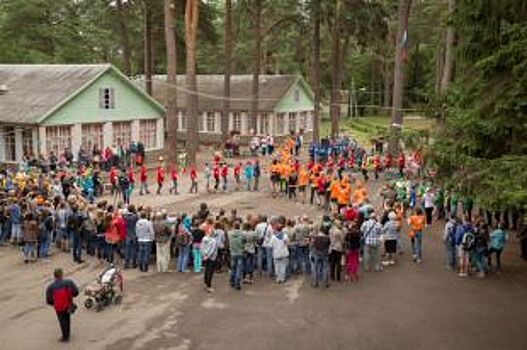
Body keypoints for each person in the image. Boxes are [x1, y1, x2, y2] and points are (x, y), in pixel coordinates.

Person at [46, 268, 79, 342]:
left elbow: (49, 300)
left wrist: (54, 303)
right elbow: (76, 292)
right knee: (67, 319)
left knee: (62, 320)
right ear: (62, 274)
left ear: (54, 276)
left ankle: (65, 336)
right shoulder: (68, 282)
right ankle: (67, 334)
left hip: (58, 306)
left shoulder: (50, 287)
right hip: (68, 304)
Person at [269, 216, 289, 284]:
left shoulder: (273, 237)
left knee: (277, 266)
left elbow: (270, 245)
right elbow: (287, 243)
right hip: (283, 253)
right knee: (283, 266)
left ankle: (278, 278)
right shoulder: (285, 235)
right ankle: (282, 278)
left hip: (276, 253)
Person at [228, 222, 245, 290]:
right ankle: (237, 282)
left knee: (233, 267)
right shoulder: (242, 234)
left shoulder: (230, 233)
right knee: (239, 268)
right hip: (240, 253)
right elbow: (244, 241)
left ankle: (232, 280)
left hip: (233, 253)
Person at [201, 225, 218, 292]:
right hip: (211, 258)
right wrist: (208, 256)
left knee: (206, 270)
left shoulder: (204, 238)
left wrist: (203, 256)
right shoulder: (213, 241)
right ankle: (209, 286)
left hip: (205, 256)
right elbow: (212, 250)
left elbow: (201, 247)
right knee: (210, 272)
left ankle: (205, 284)